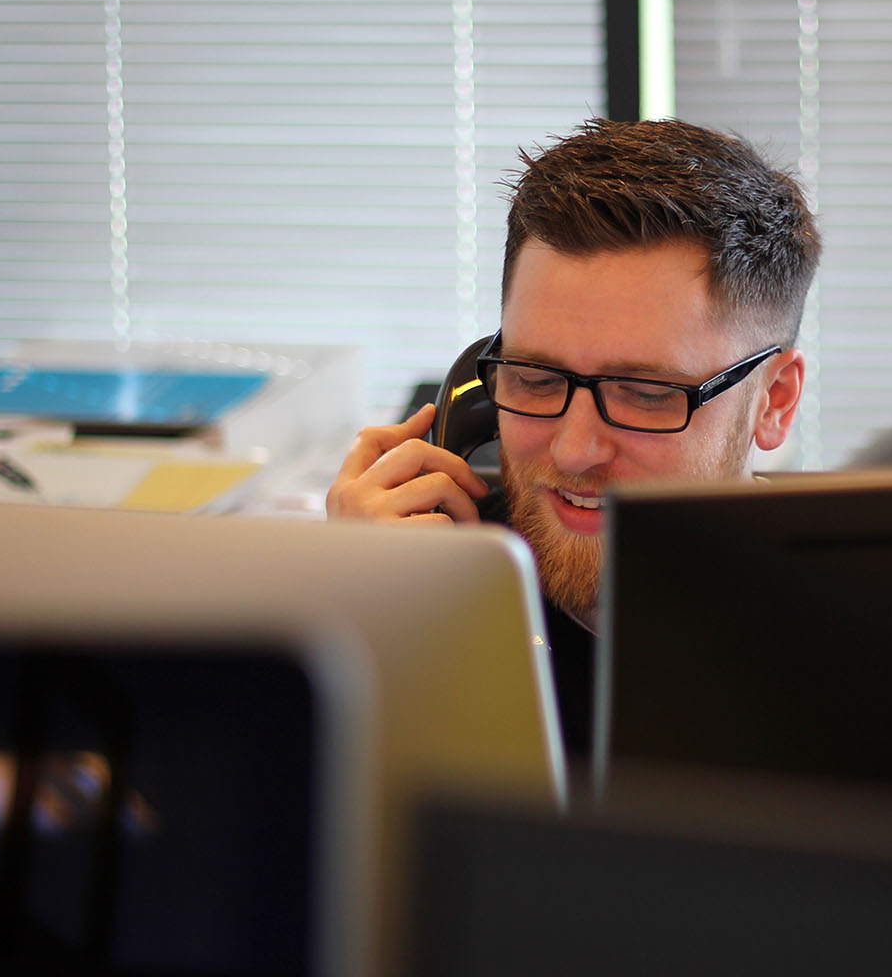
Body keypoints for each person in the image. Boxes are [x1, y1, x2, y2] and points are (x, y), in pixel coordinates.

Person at [326, 118, 821, 754]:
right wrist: (347, 618)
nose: (573, 450)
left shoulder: (864, 651)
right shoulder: (421, 583)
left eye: (645, 394)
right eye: (534, 378)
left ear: (774, 401)